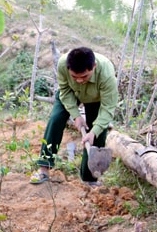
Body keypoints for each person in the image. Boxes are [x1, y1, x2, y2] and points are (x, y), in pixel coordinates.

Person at [29, 47, 118, 186]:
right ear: (68, 68)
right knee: (56, 119)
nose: (79, 81)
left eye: (84, 76)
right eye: (74, 77)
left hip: (96, 99)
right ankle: (44, 168)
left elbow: (108, 108)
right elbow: (64, 90)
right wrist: (76, 116)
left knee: (98, 134)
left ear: (93, 67)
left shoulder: (106, 74)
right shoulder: (63, 64)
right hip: (70, 94)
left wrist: (94, 131)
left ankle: (89, 178)